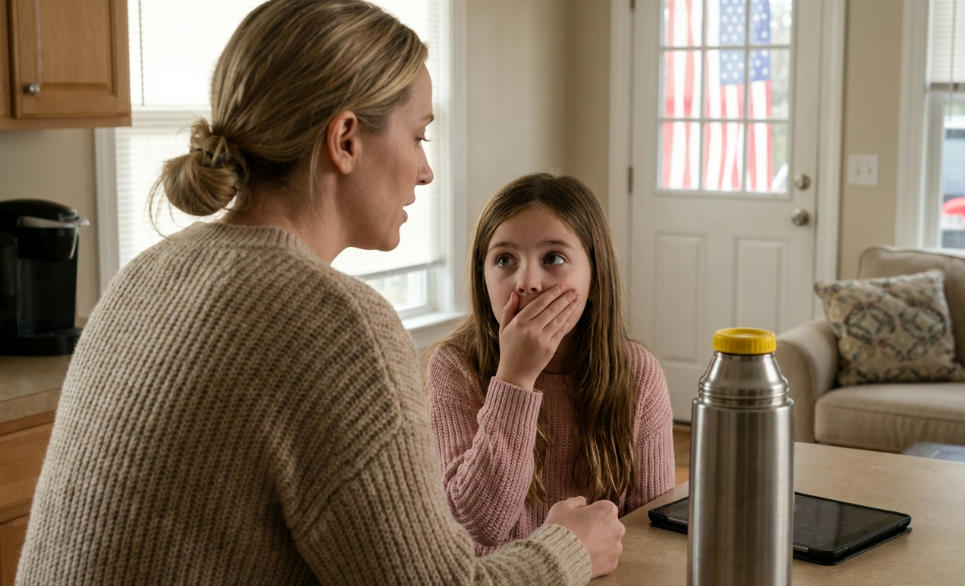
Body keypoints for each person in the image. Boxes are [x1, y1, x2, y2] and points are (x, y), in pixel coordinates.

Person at [15, 2, 623, 584]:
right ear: (347, 140)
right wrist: (572, 546)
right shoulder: (338, 323)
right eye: (419, 138)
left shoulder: (146, 273)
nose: (425, 170)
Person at [425, 173, 674, 555]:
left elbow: (653, 535)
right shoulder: (454, 366)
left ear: (595, 275)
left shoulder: (637, 371)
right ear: (483, 278)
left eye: (553, 258)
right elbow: (475, 526)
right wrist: (515, 378)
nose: (528, 282)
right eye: (504, 259)